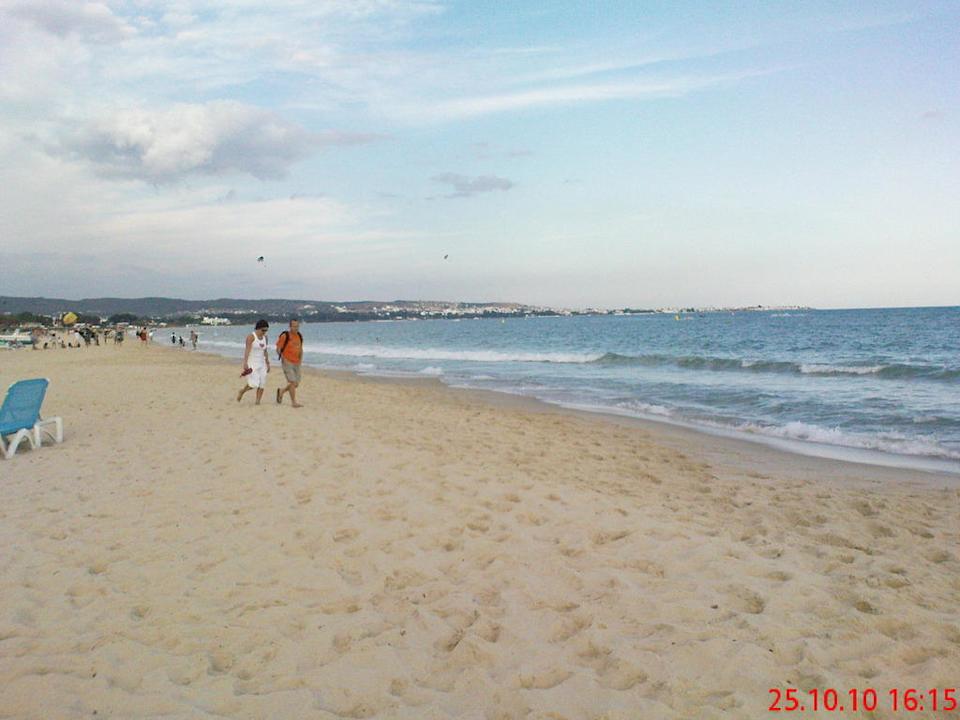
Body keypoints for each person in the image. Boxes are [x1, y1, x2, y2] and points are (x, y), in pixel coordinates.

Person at [237, 319, 270, 404]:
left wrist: (267, 363)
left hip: (262, 362)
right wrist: (245, 363)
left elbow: (265, 351)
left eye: (266, 330)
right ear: (258, 328)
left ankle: (258, 401)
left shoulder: (265, 338)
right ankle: (242, 391)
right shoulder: (251, 337)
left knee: (262, 383)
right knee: (254, 384)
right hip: (252, 362)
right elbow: (247, 350)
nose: (264, 332)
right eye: (263, 330)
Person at [275, 318, 304, 407]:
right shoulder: (285, 336)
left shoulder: (299, 336)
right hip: (287, 361)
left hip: (297, 362)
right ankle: (293, 402)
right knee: (292, 382)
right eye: (294, 326)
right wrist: (283, 358)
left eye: (297, 326)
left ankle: (282, 391)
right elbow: (278, 348)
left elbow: (300, 348)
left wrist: (300, 358)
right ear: (290, 326)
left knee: (296, 383)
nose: (296, 328)